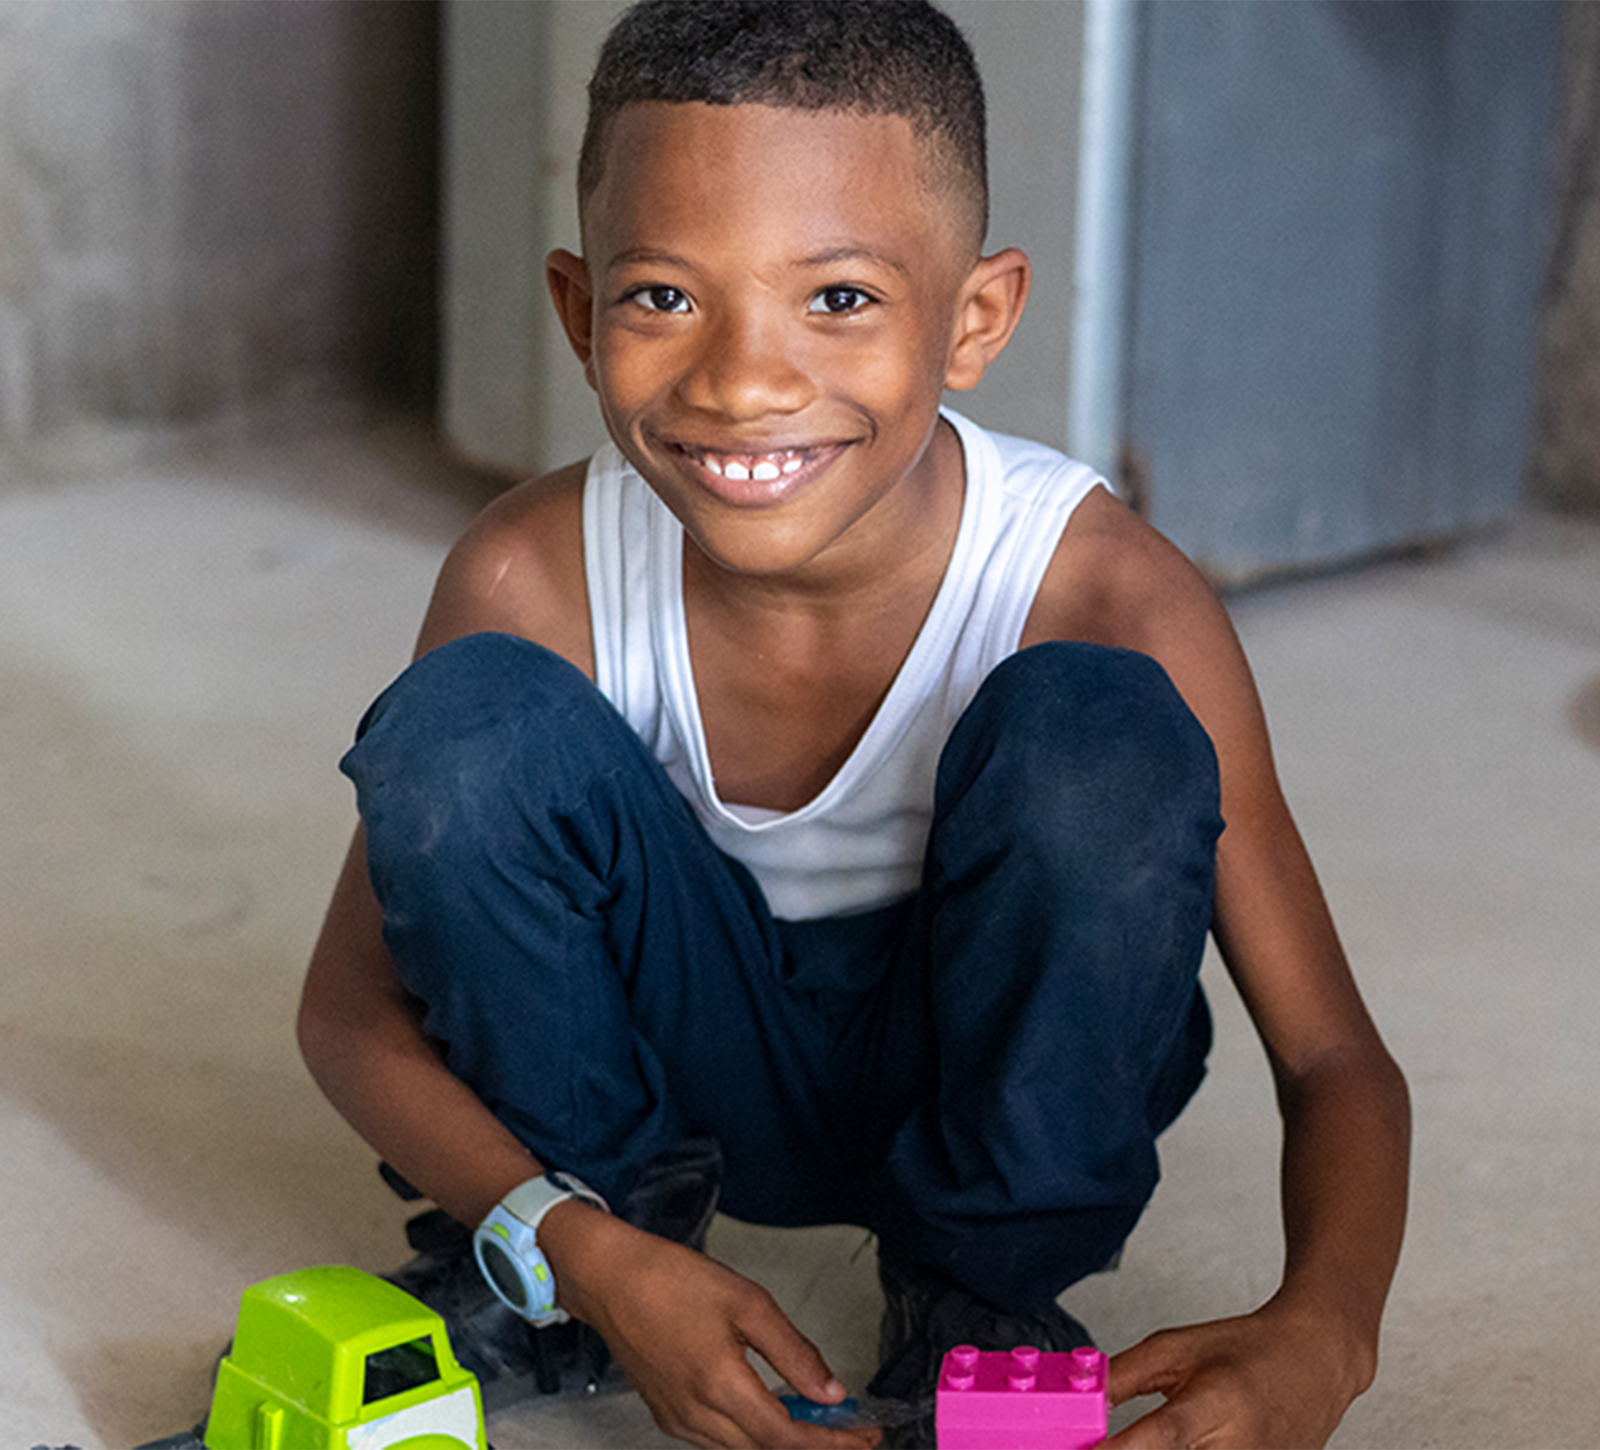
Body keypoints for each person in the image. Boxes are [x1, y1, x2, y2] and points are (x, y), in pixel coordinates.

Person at [298, 2, 1411, 1447]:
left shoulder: (1102, 587)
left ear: (977, 318)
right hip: (657, 1065)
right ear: (578, 313)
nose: (743, 381)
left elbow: (1333, 1058)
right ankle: (586, 1264)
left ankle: (980, 1288)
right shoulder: (533, 575)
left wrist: (1328, 1332)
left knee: (1102, 734)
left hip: (972, 1055)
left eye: (837, 299)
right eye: (662, 298)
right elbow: (346, 1012)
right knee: (464, 732)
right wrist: (580, 1243)